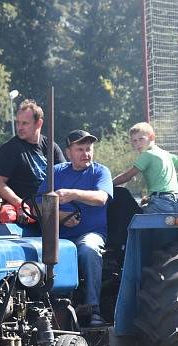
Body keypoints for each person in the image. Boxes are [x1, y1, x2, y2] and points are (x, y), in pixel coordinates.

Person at [37, 130, 112, 327]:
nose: (86, 154)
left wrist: (73, 194)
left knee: (89, 248)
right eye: (80, 149)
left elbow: (101, 198)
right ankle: (45, 311)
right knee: (36, 252)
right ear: (69, 152)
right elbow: (38, 203)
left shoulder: (100, 172)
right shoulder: (56, 172)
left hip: (89, 234)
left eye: (89, 149)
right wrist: (61, 217)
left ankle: (94, 308)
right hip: (59, 237)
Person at [0, 99, 65, 209]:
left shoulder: (51, 147)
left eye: (25, 123)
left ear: (39, 123)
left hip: (50, 208)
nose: (20, 127)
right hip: (23, 214)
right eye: (18, 123)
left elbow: (65, 176)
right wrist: (20, 204)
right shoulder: (10, 149)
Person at [112, 122, 178, 214]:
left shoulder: (147, 155)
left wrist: (109, 184)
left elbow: (127, 176)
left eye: (141, 139)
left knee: (133, 219)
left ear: (151, 137)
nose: (137, 144)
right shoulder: (165, 154)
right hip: (177, 202)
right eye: (134, 141)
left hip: (160, 202)